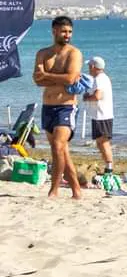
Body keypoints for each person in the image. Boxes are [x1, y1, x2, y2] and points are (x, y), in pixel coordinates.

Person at [31, 16, 83, 199]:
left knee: (58, 147)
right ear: (54, 31)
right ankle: (76, 190)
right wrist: (57, 78)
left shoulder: (74, 53)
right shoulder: (43, 53)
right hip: (48, 107)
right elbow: (37, 80)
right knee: (62, 151)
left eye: (70, 32)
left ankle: (54, 189)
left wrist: (47, 75)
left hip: (66, 107)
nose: (67, 35)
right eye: (63, 31)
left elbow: (71, 78)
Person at [83, 56, 116, 174]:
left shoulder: (99, 79)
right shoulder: (102, 78)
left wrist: (87, 97)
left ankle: (109, 168)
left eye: (89, 66)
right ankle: (108, 166)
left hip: (102, 115)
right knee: (100, 142)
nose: (88, 68)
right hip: (101, 115)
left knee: (103, 142)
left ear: (93, 66)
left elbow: (98, 96)